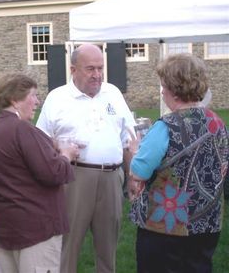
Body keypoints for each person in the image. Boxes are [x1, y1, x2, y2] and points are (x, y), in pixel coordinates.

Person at [36, 44, 136, 273]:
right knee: (68, 245)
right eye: (90, 68)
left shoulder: (113, 93)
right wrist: (58, 145)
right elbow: (40, 141)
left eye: (100, 68)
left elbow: (127, 139)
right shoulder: (57, 98)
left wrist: (131, 177)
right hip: (74, 178)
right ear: (73, 69)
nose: (97, 75)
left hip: (112, 178)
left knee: (108, 248)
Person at [127, 53, 229, 273]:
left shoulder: (166, 126)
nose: (162, 90)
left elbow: (139, 172)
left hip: (166, 227)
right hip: (207, 224)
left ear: (173, 88)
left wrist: (136, 151)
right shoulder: (217, 123)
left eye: (163, 84)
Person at [0, 74, 79, 272]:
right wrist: (67, 155)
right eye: (33, 95)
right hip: (35, 226)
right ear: (15, 100)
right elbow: (54, 173)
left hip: (6, 223)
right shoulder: (22, 129)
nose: (37, 101)